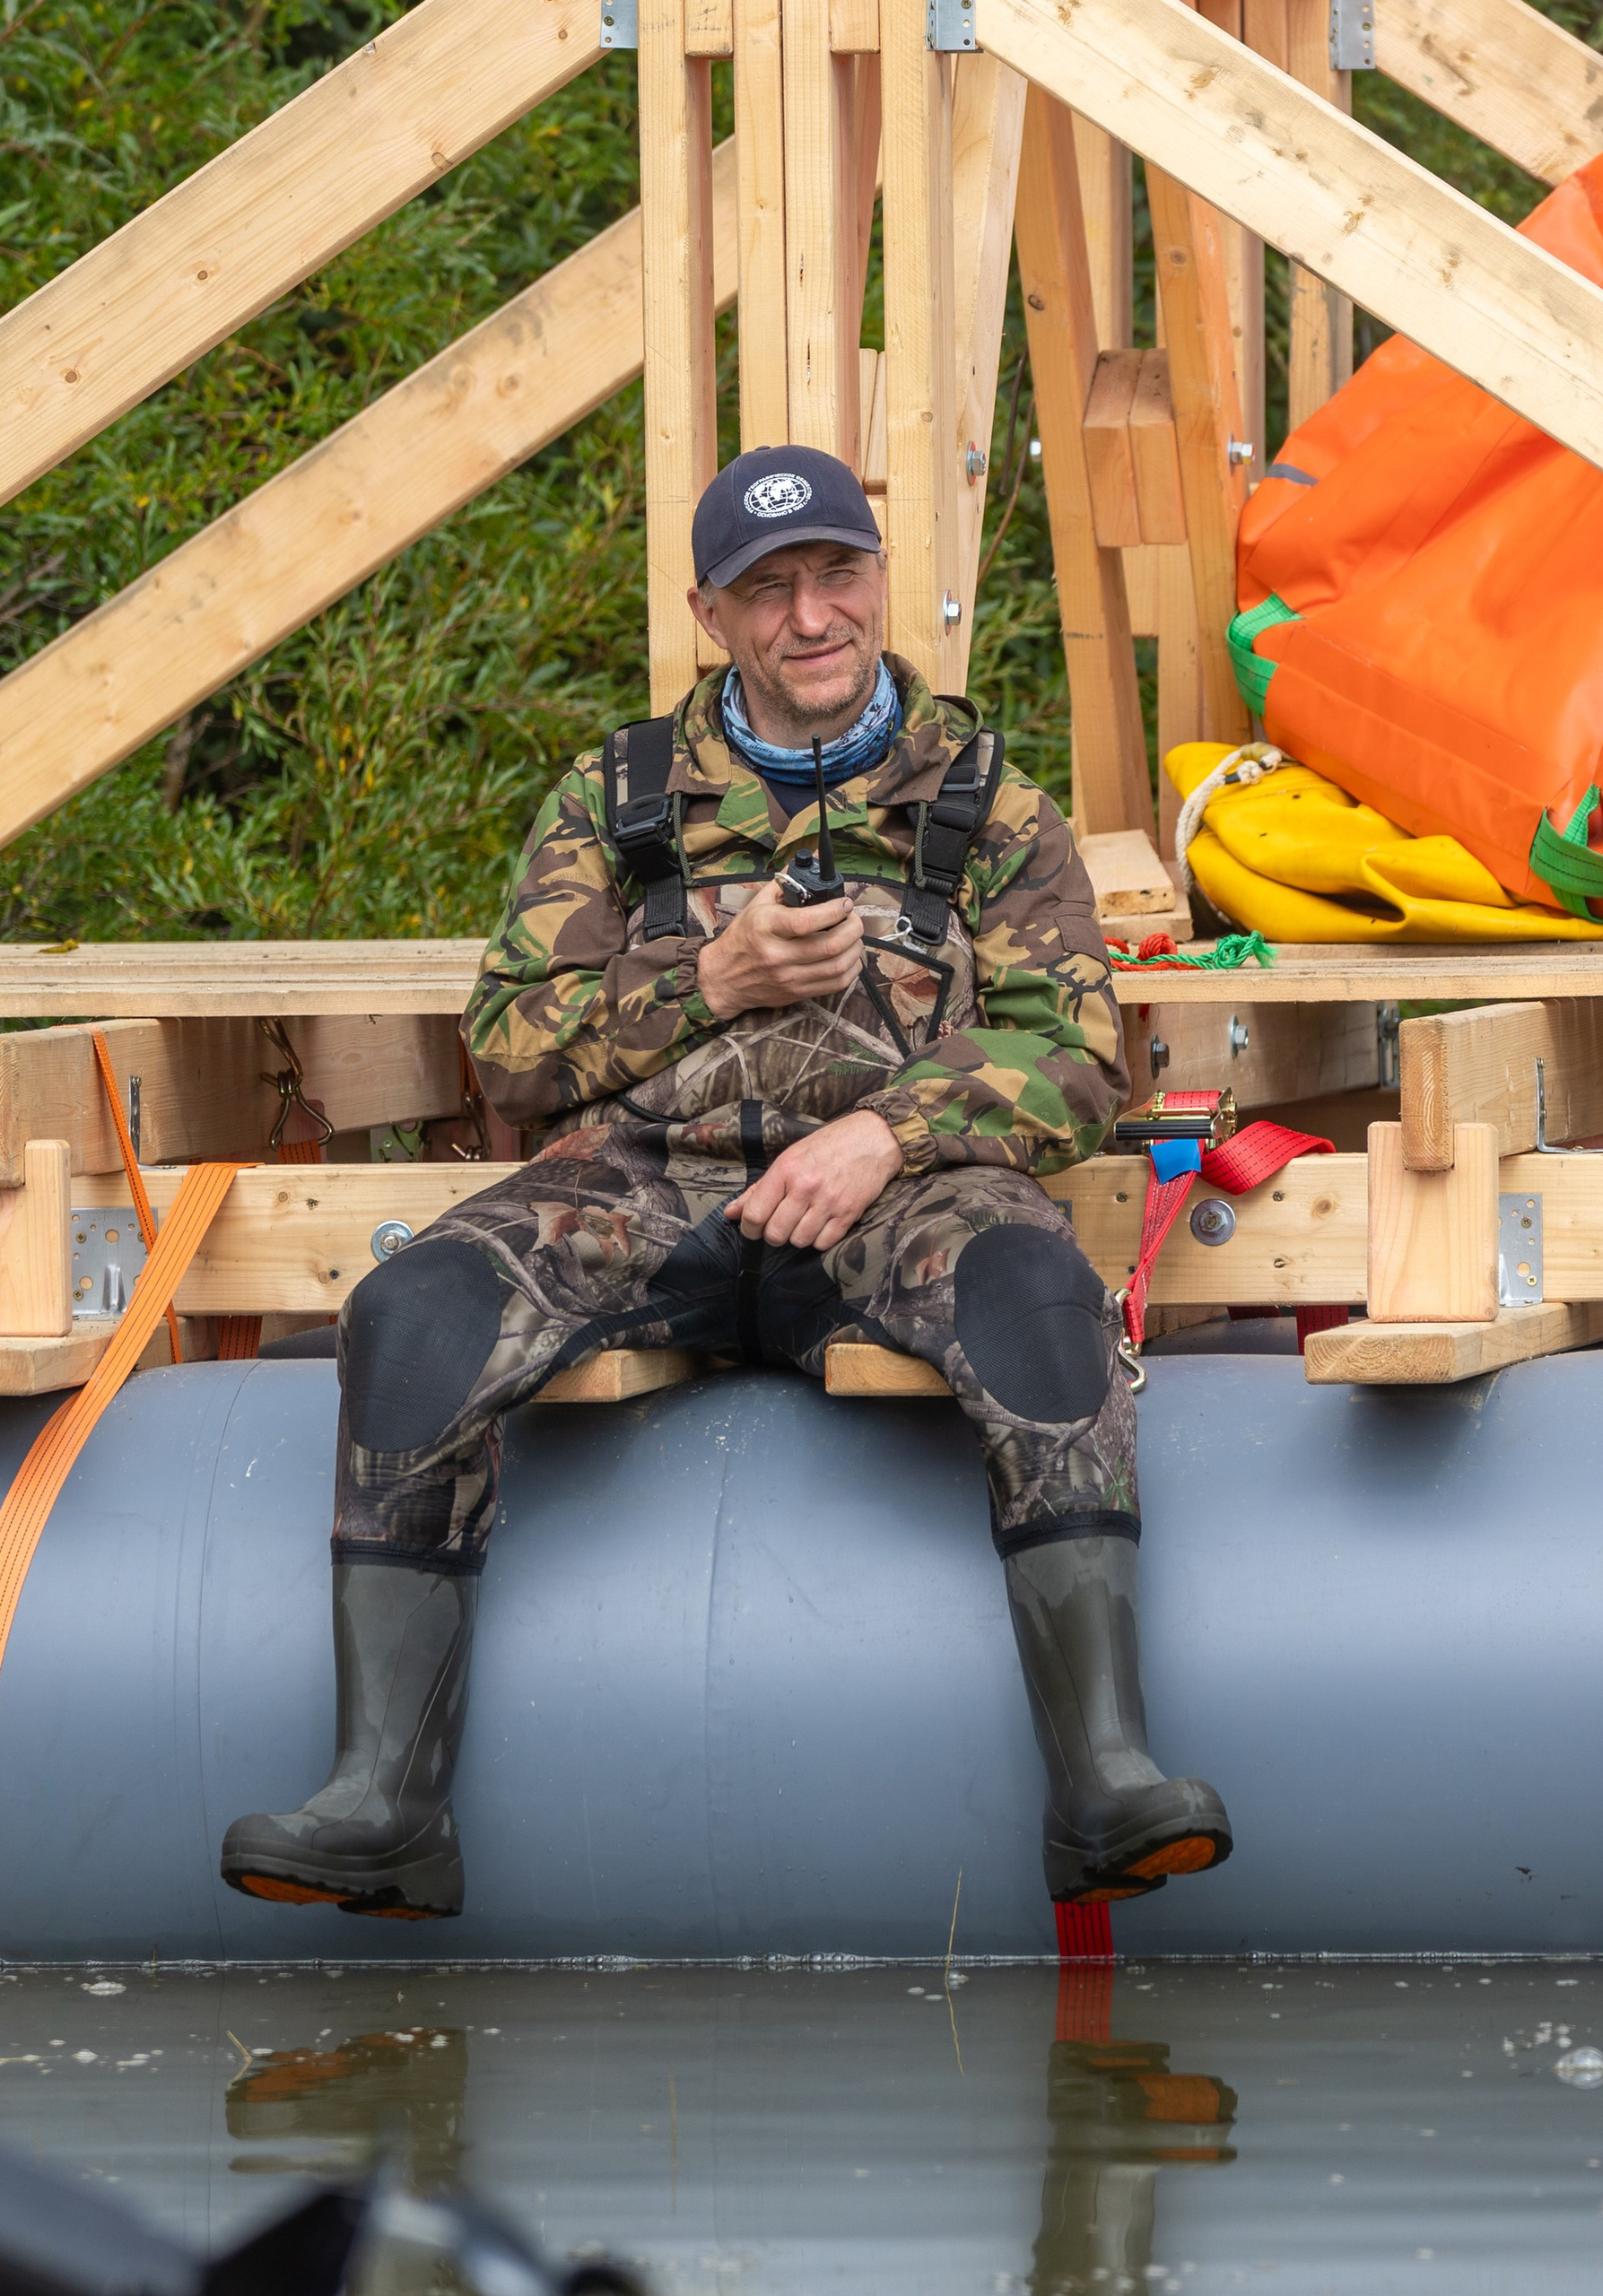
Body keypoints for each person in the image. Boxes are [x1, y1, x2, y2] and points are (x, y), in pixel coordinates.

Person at [219, 444, 1231, 1920]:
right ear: (711, 613)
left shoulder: (988, 798)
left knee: (1034, 1287)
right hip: (647, 1186)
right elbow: (506, 1048)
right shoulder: (620, 795)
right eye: (768, 590)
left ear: (880, 582)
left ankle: (1105, 1781)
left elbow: (1073, 1050)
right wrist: (711, 975)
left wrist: (890, 1133)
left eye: (837, 574)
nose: (810, 616)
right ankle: (384, 1803)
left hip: (900, 1199)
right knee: (415, 1304)